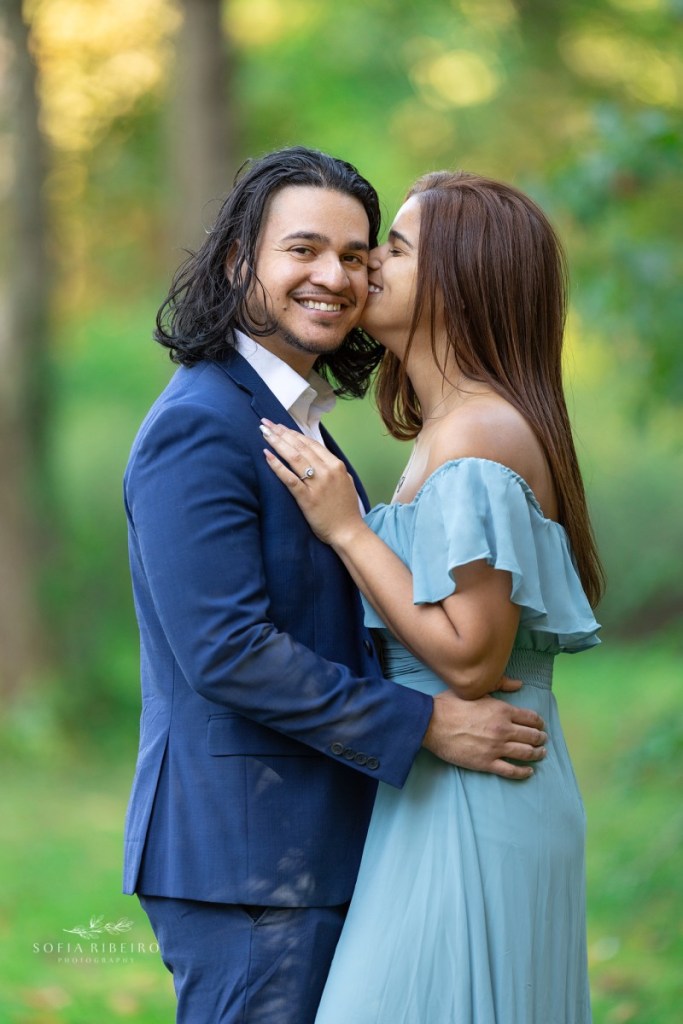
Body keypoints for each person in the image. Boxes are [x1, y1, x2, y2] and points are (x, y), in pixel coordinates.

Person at [122, 147, 548, 1024]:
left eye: (356, 255)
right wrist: (424, 723)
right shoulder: (201, 424)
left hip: (317, 841)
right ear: (237, 261)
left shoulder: (291, 418)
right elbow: (227, 651)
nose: (335, 276)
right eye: (303, 249)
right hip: (250, 858)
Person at [262, 169, 603, 1023]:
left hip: (477, 795)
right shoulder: (447, 431)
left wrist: (349, 531)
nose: (368, 263)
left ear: (459, 280)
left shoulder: (479, 432)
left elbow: (472, 659)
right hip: (438, 786)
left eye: (396, 247)